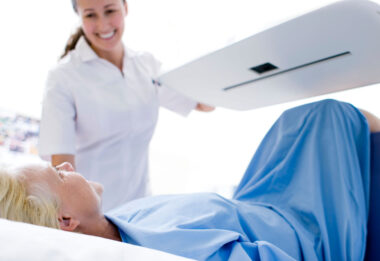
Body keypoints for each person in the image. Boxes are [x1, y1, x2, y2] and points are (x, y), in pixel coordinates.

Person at [2, 99, 380, 260]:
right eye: (57, 173)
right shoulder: (162, 252)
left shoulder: (123, 220)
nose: (67, 166)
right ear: (65, 221)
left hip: (257, 201)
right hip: (301, 230)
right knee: (328, 117)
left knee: (292, 125)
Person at [38, 0, 214, 211]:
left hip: (139, 210)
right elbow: (62, 173)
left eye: (110, 11)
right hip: (92, 216)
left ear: (126, 7)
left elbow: (204, 103)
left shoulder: (146, 65)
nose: (103, 24)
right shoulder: (64, 77)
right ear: (80, 18)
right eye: (90, 15)